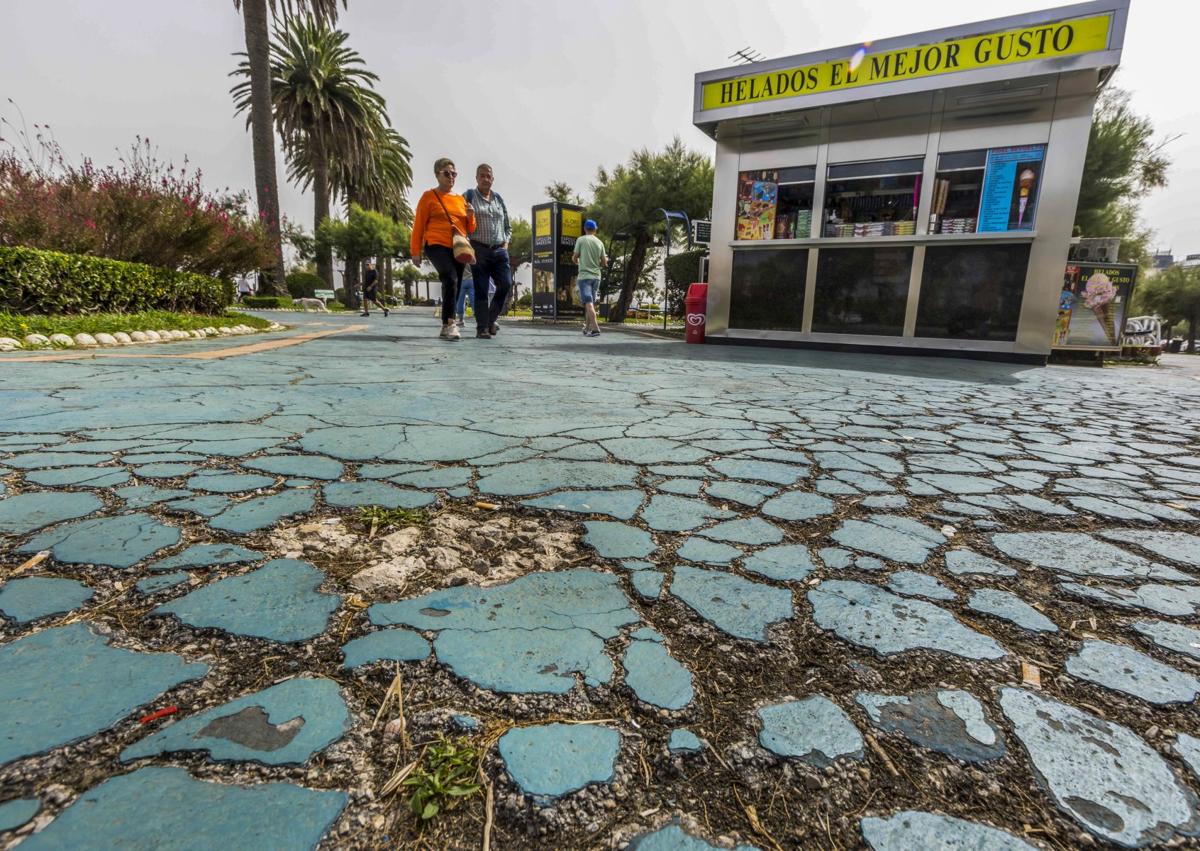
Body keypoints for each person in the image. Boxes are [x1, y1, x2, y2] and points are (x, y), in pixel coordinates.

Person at [410, 157, 476, 341]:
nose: (451, 177)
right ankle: (449, 323)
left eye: (454, 173)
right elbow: (418, 225)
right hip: (436, 244)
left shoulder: (460, 199)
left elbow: (470, 228)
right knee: (450, 276)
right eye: (447, 173)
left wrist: (470, 216)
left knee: (454, 284)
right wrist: (415, 251)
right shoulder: (428, 197)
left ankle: (447, 323)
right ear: (437, 175)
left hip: (458, 247)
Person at [463, 164, 513, 339]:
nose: (485, 179)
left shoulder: (499, 199)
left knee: (506, 284)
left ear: (492, 179)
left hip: (500, 250)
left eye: (488, 176)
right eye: (482, 176)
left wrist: (506, 243)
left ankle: (491, 319)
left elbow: (508, 226)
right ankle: (482, 328)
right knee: (482, 290)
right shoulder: (468, 197)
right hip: (479, 249)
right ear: (476, 178)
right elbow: (461, 223)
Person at [572, 219, 607, 337]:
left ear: (585, 229)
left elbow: (574, 257)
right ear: (595, 230)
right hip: (596, 277)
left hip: (584, 276)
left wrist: (578, 262)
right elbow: (604, 263)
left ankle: (595, 328)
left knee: (588, 302)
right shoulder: (600, 242)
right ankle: (587, 328)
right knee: (590, 303)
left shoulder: (581, 240)